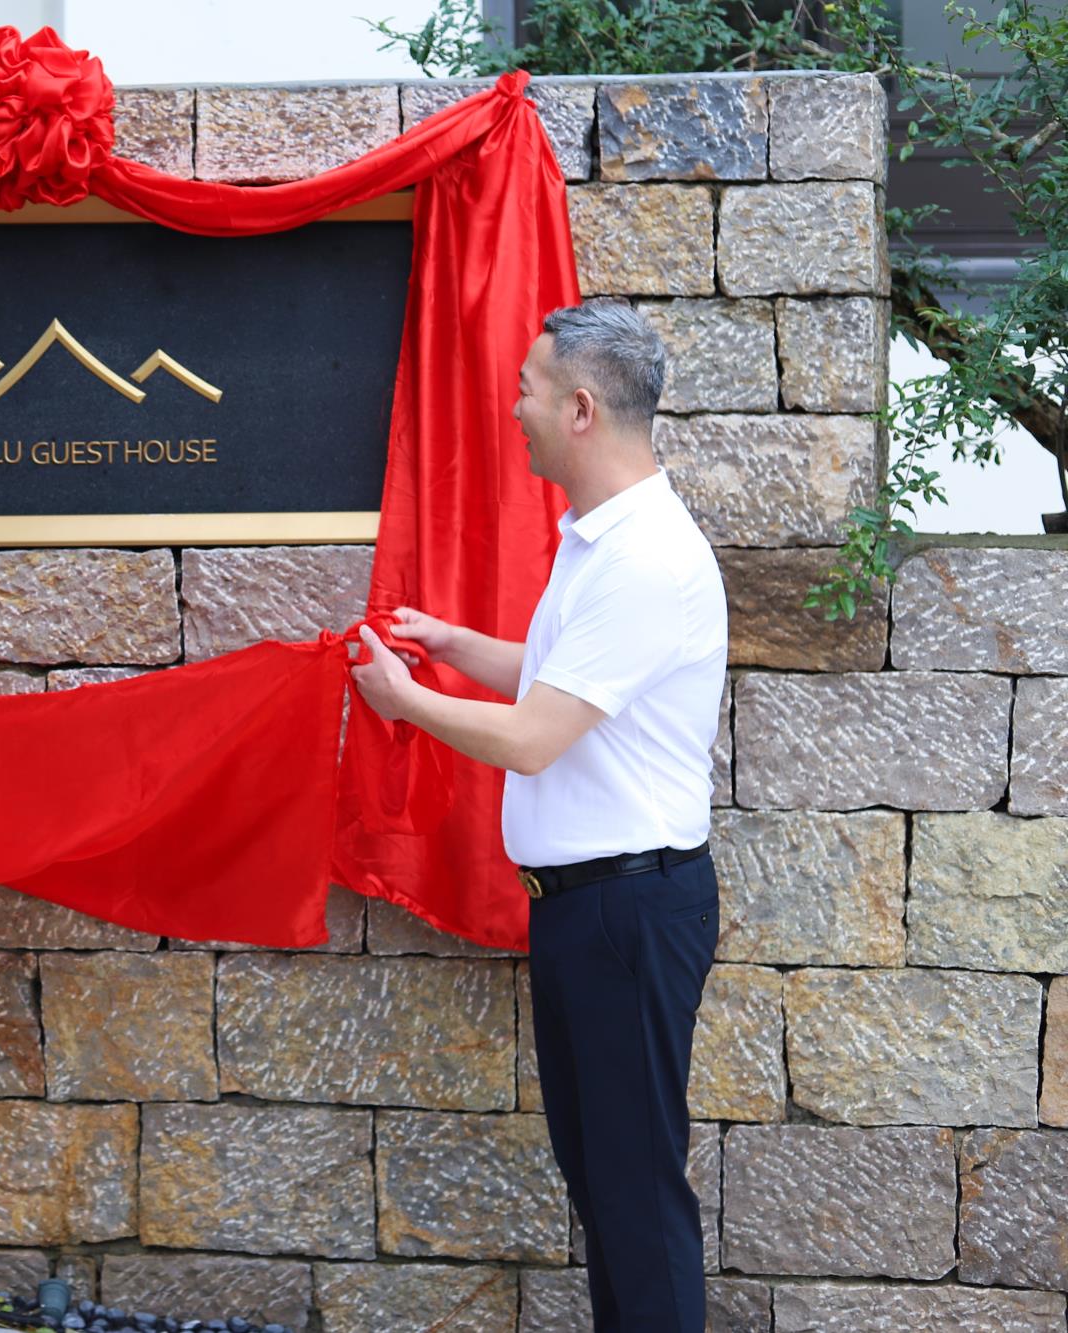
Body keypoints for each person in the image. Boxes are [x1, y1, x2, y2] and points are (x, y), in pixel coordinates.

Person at [350, 300, 727, 1332]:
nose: (512, 407)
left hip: (626, 913)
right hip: (588, 910)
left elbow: (531, 737)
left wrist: (404, 702)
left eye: (525, 389)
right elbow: (561, 678)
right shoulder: (599, 538)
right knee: (605, 1183)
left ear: (578, 408)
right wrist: (451, 644)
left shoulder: (644, 558)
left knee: (634, 1193)